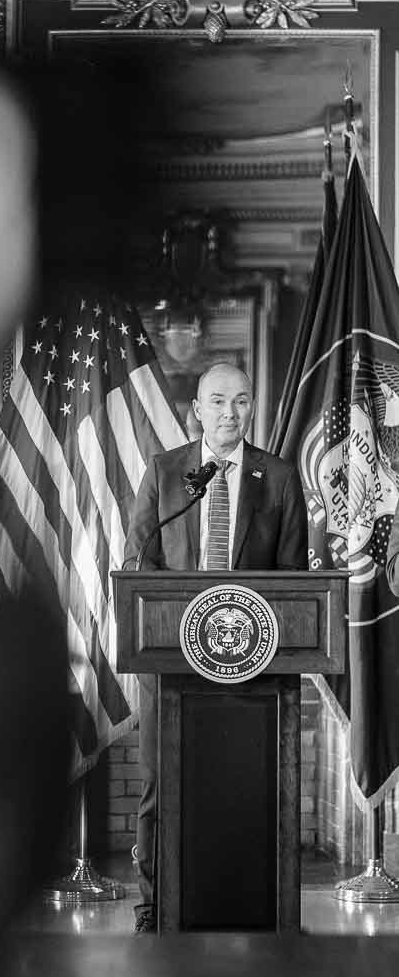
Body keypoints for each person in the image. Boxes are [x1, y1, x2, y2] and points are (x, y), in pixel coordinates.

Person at [124, 362, 308, 934]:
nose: (231, 413)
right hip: (172, 661)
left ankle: (259, 904)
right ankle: (153, 907)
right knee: (160, 786)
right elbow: (140, 560)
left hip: (254, 666)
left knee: (250, 785)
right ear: (196, 411)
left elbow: (294, 576)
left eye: (242, 402)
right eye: (220, 402)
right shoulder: (165, 471)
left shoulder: (277, 477)